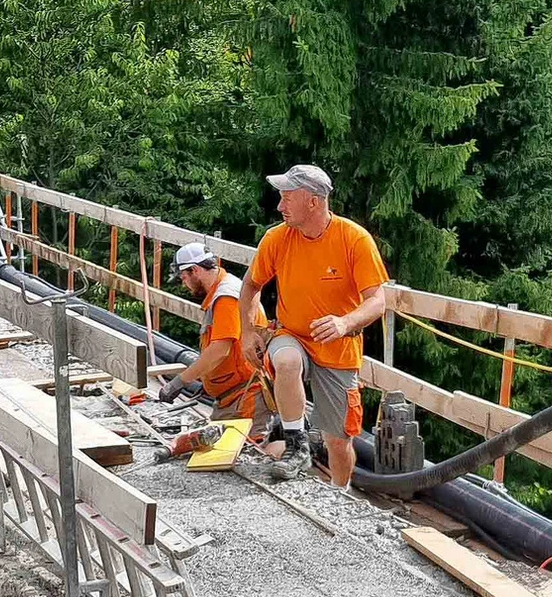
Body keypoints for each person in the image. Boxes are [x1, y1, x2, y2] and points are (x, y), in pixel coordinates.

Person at [238, 164, 389, 487]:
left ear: (313, 201)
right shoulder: (277, 239)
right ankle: (296, 445)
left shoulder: (354, 240)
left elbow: (377, 301)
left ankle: (340, 492)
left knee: (338, 440)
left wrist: (345, 322)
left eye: (287, 198)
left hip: (339, 349)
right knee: (286, 360)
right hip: (291, 334)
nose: (280, 206)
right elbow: (251, 285)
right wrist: (248, 331)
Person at [159, 242, 273, 437]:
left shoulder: (226, 298)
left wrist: (178, 383)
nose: (184, 284)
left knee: (248, 454)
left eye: (184, 278)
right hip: (236, 396)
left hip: (246, 396)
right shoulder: (227, 288)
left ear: (194, 270)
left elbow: (220, 349)